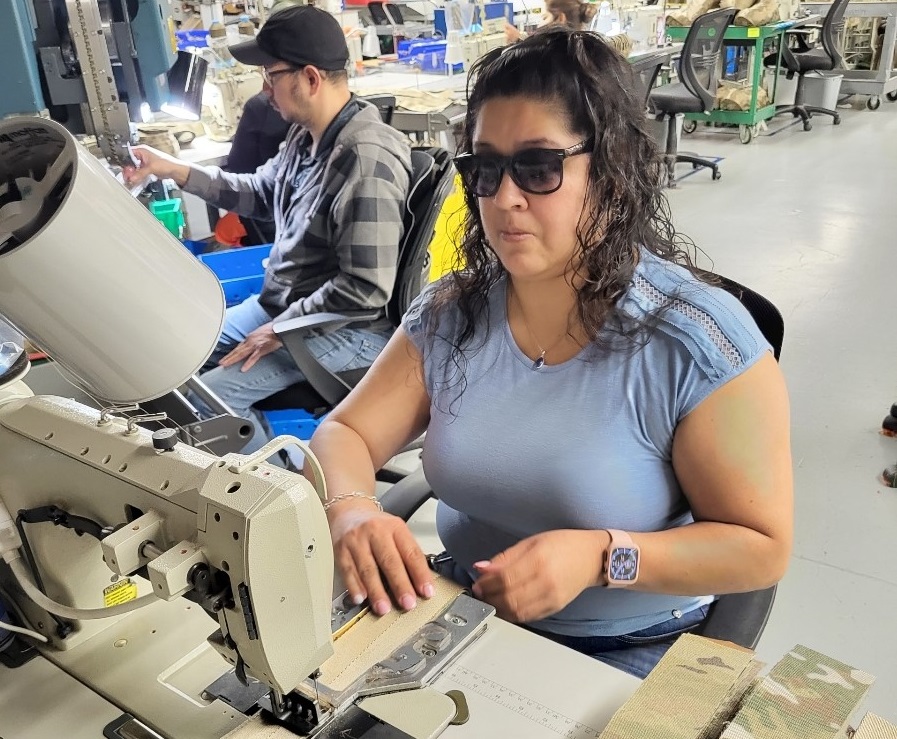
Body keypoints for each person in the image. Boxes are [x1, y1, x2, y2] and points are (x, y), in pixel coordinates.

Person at [308, 28, 793, 679]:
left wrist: (603, 557)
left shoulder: (697, 342)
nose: (503, 198)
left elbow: (758, 549)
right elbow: (345, 430)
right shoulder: (454, 311)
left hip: (628, 645)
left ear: (612, 172)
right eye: (483, 168)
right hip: (462, 614)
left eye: (538, 167)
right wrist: (352, 509)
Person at [125, 6, 412, 457]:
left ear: (311, 78)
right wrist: (174, 169)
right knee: (172, 357)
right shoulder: (306, 136)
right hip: (283, 310)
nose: (264, 90)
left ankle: (291, 502)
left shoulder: (366, 159)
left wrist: (280, 329)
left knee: (206, 402)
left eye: (270, 75)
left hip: (343, 329)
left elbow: (365, 288)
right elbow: (259, 192)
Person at [505, 0, 597, 43]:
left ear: (561, 18)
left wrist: (518, 40)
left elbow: (535, 53)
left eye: (546, 17)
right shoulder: (580, 46)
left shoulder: (552, 56)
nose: (542, 20)